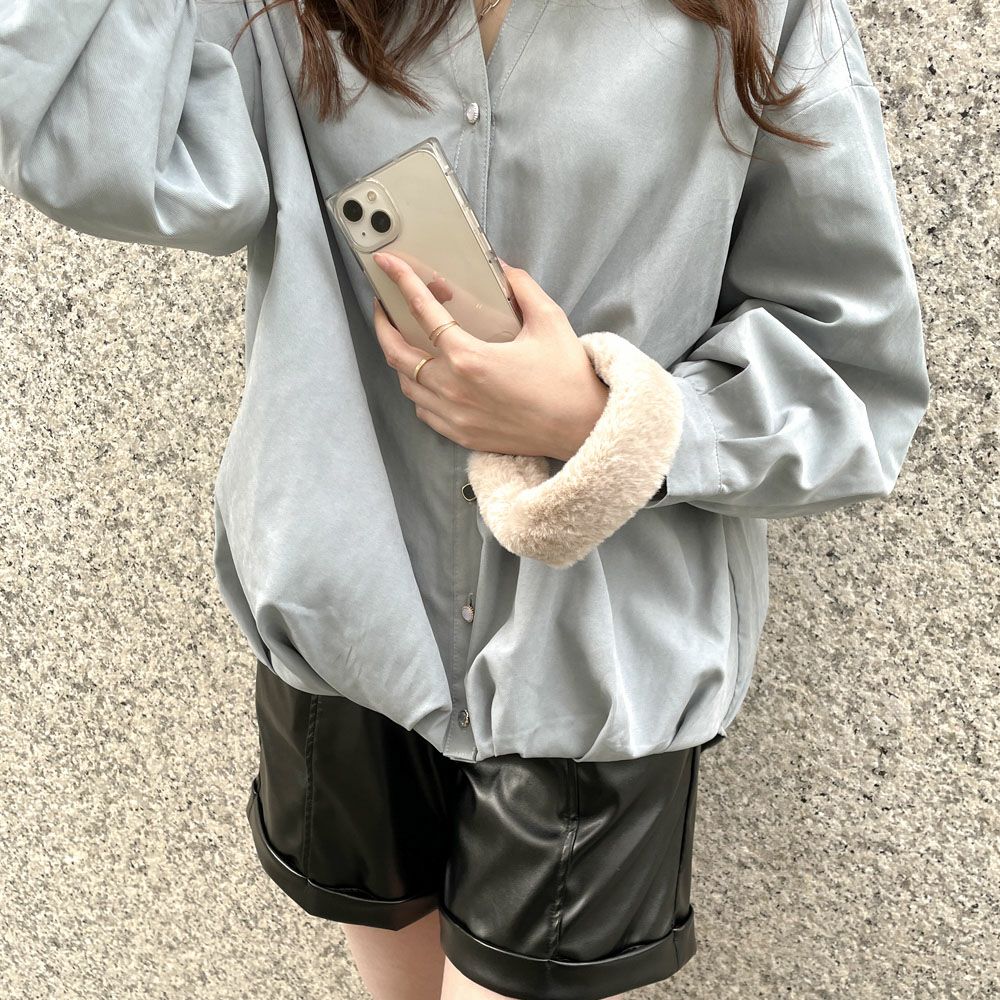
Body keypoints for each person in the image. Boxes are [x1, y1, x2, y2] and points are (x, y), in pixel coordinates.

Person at [0, 0, 930, 997]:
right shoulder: (282, 12)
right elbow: (79, 138)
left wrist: (595, 416)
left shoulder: (760, 15)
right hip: (348, 634)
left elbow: (851, 370)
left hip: (590, 666)